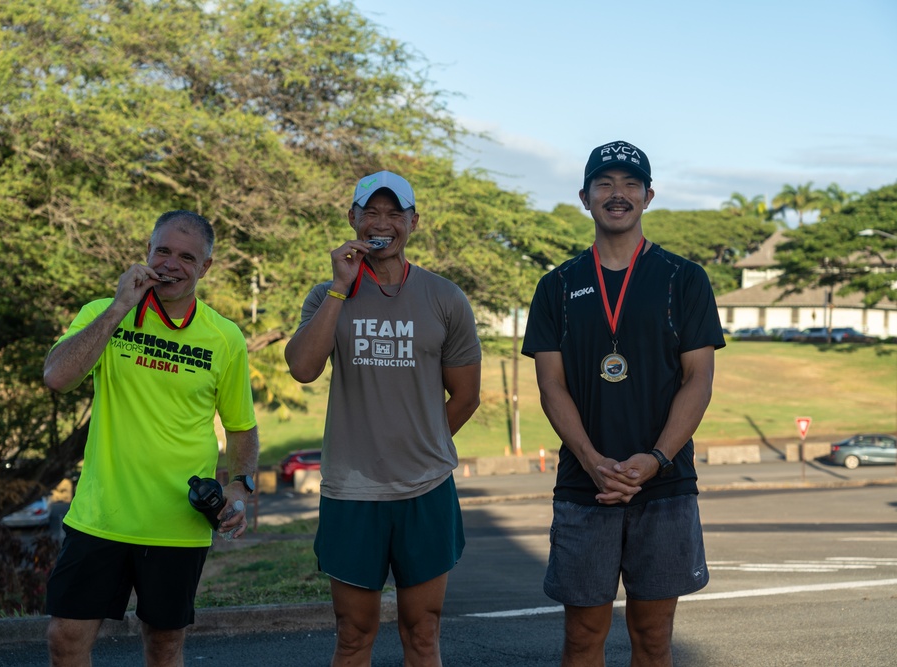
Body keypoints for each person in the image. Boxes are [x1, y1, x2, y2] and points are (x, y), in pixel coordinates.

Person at [521, 141, 725, 666]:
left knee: (654, 638)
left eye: (631, 184)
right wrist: (593, 463)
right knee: (583, 638)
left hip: (665, 486)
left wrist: (655, 460)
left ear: (649, 195)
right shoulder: (557, 286)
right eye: (605, 184)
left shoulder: (685, 279)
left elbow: (698, 379)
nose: (618, 194)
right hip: (583, 486)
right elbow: (551, 387)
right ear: (585, 197)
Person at [42, 210, 259, 667]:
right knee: (65, 641)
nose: (171, 264)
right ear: (147, 251)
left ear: (206, 268)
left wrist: (241, 484)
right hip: (100, 515)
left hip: (177, 524)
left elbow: (241, 426)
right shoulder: (102, 313)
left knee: (164, 647)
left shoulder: (225, 337)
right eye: (163, 251)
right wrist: (120, 307)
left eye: (186, 256)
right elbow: (58, 377)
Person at [284, 171, 482, 666]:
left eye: (395, 213)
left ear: (413, 221)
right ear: (352, 218)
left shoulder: (444, 297)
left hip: (426, 489)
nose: (382, 223)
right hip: (352, 491)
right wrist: (339, 288)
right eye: (371, 211)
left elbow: (466, 396)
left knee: (424, 631)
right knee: (353, 634)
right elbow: (303, 369)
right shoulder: (326, 294)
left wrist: (422, 442)